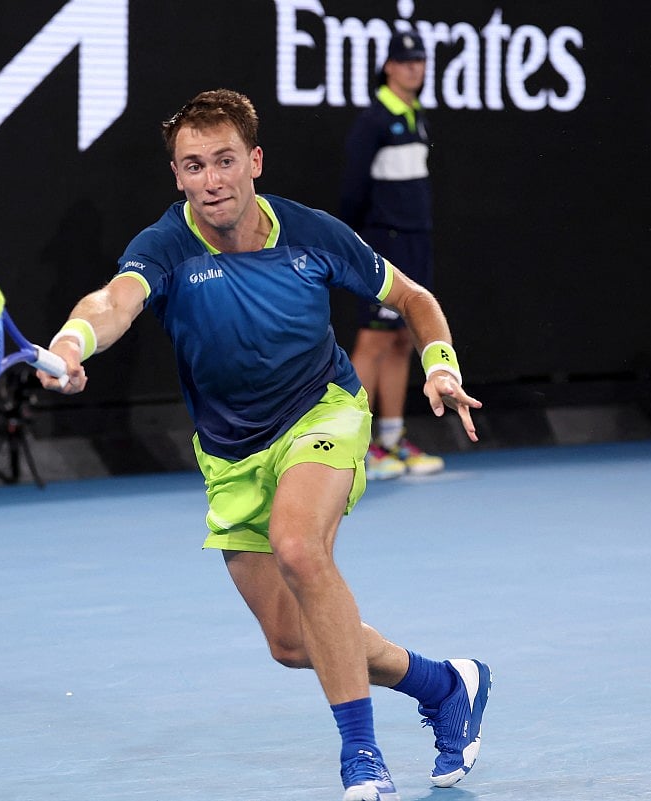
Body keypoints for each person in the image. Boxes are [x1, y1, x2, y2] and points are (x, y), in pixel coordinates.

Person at [37, 89, 490, 801]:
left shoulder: (311, 233)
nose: (211, 180)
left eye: (224, 161)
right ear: (177, 176)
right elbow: (112, 301)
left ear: (253, 161)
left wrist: (440, 363)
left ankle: (362, 757)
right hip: (230, 453)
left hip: (322, 412)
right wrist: (71, 342)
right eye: (193, 166)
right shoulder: (165, 245)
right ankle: (444, 683)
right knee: (289, 641)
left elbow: (415, 300)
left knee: (300, 547)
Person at [340, 31, 444, 480]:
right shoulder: (374, 120)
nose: (414, 68)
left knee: (403, 338)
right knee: (375, 339)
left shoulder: (415, 114)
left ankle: (390, 439)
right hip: (386, 241)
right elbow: (353, 188)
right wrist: (357, 242)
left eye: (419, 61)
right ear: (388, 67)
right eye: (405, 62)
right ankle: (352, 447)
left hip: (415, 240)